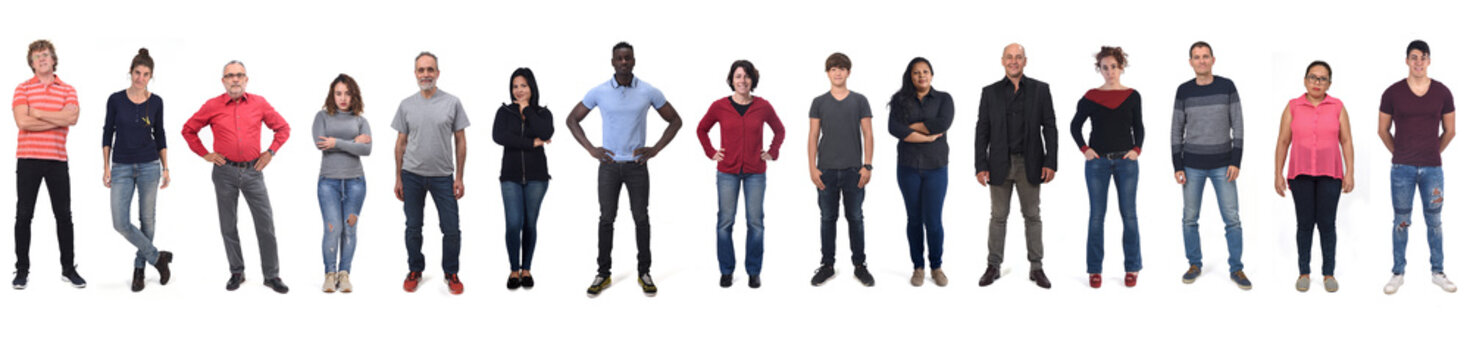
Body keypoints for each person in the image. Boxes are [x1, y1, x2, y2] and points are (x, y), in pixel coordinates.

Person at [568, 42, 683, 297]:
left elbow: (676, 120)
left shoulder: (647, 91)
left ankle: (645, 272)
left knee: (641, 218)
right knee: (606, 219)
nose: (623, 62)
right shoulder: (599, 92)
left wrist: (654, 150)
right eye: (619, 58)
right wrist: (591, 149)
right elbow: (572, 119)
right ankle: (603, 273)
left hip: (636, 166)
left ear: (633, 61)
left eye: (627, 58)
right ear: (612, 62)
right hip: (608, 166)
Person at [181, 60, 291, 294]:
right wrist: (205, 154)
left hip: (254, 171)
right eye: (230, 75)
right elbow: (188, 129)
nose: (235, 79)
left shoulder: (259, 103)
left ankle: (271, 275)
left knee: (265, 224)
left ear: (246, 79)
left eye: (239, 75)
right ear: (223, 81)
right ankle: (236, 272)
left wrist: (270, 152)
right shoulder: (212, 106)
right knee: (228, 224)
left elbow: (283, 128)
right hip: (224, 172)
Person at [696, 60, 785, 289]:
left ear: (752, 80)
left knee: (756, 223)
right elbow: (702, 129)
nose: (742, 80)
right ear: (731, 80)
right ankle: (726, 271)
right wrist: (711, 152)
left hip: (756, 172)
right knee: (725, 222)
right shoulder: (719, 106)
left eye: (746, 76)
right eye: (738, 76)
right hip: (727, 172)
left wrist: (773, 152)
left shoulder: (763, 106)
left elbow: (779, 129)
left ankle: (754, 271)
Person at [976, 43, 1058, 289]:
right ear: (1002, 61)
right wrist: (980, 164)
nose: (1014, 61)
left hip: (1030, 163)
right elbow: (982, 130)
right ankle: (993, 266)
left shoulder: (1040, 90)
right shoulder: (989, 92)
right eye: (1009, 57)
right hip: (998, 163)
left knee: (1032, 216)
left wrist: (1050, 161)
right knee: (998, 217)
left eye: (1018, 57)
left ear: (1025, 61)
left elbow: (1050, 127)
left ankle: (1037, 267)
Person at [1378, 40, 1457, 294]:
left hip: (1433, 169)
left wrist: (1432, 152)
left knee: (1434, 221)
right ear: (1407, 61)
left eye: (1423, 57)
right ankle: (1398, 272)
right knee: (1401, 220)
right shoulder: (1392, 93)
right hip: (1402, 169)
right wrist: (1400, 154)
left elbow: (1450, 130)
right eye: (1414, 57)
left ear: (1429, 60)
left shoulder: (1443, 92)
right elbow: (1382, 130)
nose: (1419, 62)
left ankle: (1438, 271)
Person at [1171, 41, 1250, 290]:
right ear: (1191, 62)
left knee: (1232, 219)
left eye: (1206, 56)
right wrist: (1178, 165)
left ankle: (1236, 268)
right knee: (1189, 219)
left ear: (1213, 60)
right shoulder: (1184, 91)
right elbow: (1176, 130)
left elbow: (1238, 125)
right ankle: (1194, 264)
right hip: (1191, 165)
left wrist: (1236, 161)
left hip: (1223, 165)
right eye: (1197, 57)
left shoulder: (1227, 86)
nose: (1202, 61)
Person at [1273, 61, 1354, 293]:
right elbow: (1283, 141)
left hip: (1331, 174)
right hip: (1301, 175)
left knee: (1327, 225)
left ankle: (1329, 273)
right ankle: (1304, 272)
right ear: (1305, 80)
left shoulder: (1338, 106)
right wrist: (1278, 173)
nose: (1317, 82)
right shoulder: (1293, 106)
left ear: (1329, 82)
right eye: (1313, 77)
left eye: (1322, 78)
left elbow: (1346, 140)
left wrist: (1350, 172)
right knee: (1305, 224)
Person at [392, 52, 470, 295]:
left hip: (443, 176)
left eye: (430, 70)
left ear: (438, 73)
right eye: (421, 70)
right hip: (412, 174)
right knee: (413, 227)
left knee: (451, 228)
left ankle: (451, 272)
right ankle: (415, 269)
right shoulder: (406, 105)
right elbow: (400, 143)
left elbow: (461, 141)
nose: (425, 74)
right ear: (415, 74)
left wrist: (459, 177)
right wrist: (398, 177)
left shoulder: (452, 102)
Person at [12, 39, 85, 289]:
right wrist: (59, 119)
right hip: (28, 159)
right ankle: (22, 270)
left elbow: (72, 118)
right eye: (37, 57)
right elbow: (23, 122)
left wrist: (39, 113)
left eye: (45, 55)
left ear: (53, 59)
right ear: (31, 64)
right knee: (24, 216)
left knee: (64, 216)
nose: (42, 59)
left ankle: (68, 268)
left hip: (57, 160)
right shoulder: (22, 89)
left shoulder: (68, 89)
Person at [1070, 46, 1143, 289]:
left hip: (1126, 162)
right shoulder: (1091, 96)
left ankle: (1132, 267)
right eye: (1105, 67)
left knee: (1129, 216)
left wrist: (1136, 150)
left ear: (1121, 67)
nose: (1110, 71)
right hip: (1097, 163)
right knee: (1096, 217)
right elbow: (1075, 126)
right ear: (1099, 70)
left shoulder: (1133, 95)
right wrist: (1085, 149)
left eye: (1114, 66)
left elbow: (1139, 127)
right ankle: (1094, 270)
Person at [102, 48, 174, 292]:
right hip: (121, 166)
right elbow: (107, 133)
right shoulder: (115, 99)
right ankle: (157, 258)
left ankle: (139, 268)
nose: (140, 78)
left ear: (150, 76)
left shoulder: (156, 102)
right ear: (130, 72)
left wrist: (166, 167)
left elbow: (161, 135)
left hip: (149, 166)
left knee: (147, 220)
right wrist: (106, 166)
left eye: (145, 74)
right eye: (137, 72)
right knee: (120, 222)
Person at [807, 52, 876, 287]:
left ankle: (860, 265)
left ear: (849, 72)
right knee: (828, 218)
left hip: (853, 171)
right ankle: (827, 265)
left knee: (855, 217)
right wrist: (812, 168)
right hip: (825, 170)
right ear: (827, 73)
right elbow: (813, 135)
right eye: (833, 68)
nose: (837, 72)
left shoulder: (860, 100)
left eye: (842, 68)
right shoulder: (819, 102)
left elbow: (868, 133)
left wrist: (867, 165)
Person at [887, 57, 952, 287]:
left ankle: (936, 266)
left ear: (932, 75)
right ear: (910, 76)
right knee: (914, 219)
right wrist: (925, 133)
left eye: (925, 71)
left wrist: (911, 127)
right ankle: (918, 267)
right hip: (908, 168)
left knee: (933, 221)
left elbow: (942, 123)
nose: (921, 76)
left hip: (936, 167)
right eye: (916, 73)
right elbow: (894, 128)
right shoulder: (900, 100)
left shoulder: (944, 99)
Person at [492, 68, 553, 291]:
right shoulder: (504, 112)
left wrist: (527, 109)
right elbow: (499, 136)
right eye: (515, 86)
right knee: (513, 223)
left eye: (523, 86)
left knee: (529, 223)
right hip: (510, 177)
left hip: (537, 178)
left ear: (532, 87)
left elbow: (545, 132)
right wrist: (530, 143)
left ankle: (526, 269)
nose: (518, 90)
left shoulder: (543, 113)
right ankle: (513, 269)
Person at [313, 74, 372, 293]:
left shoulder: (360, 120)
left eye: (347, 93)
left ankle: (344, 274)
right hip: (329, 182)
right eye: (338, 93)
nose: (343, 98)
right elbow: (320, 144)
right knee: (332, 228)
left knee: (350, 229)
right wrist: (353, 142)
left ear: (353, 95)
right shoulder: (322, 117)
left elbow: (367, 150)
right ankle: (330, 274)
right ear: (332, 95)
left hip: (355, 182)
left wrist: (335, 142)